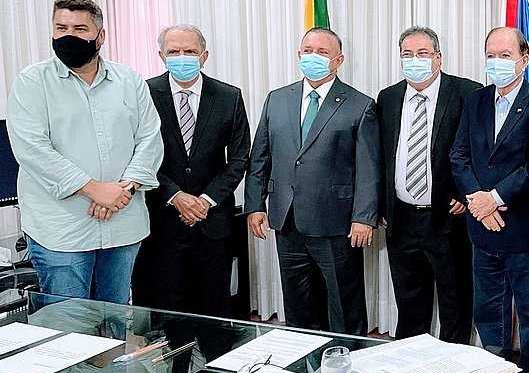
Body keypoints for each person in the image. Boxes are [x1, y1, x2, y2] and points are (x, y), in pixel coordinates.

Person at [6, 0, 163, 304]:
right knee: (67, 322)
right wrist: (94, 189)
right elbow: (32, 148)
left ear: (100, 36)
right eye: (61, 28)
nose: (69, 36)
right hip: (62, 230)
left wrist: (124, 189)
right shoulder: (32, 81)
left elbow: (150, 138)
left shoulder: (129, 79)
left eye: (80, 29)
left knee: (115, 316)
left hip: (122, 223)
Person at [450, 27, 529, 373]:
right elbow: (459, 156)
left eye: (505, 54)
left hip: (524, 230)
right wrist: (478, 202)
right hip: (482, 229)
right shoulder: (475, 101)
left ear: (524, 59)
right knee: (489, 313)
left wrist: (493, 198)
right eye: (491, 54)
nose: (497, 62)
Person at [245, 27, 380, 335]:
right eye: (308, 51)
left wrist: (364, 217)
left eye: (322, 52)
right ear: (298, 54)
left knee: (344, 306)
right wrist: (255, 205)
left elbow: (369, 169)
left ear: (338, 60)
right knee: (298, 306)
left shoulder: (360, 104)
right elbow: (260, 157)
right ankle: (305, 361)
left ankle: (348, 359)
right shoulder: (277, 99)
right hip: (287, 220)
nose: (313, 57)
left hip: (336, 223)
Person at [133, 24, 251, 318]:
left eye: (190, 51)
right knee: (165, 313)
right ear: (161, 55)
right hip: (161, 223)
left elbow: (239, 158)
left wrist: (205, 200)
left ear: (204, 56)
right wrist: (175, 196)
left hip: (212, 223)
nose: (182, 57)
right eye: (174, 52)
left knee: (214, 312)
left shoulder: (228, 96)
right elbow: (136, 155)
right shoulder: (144, 93)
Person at [375, 26, 480, 343]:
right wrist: (381, 204)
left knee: (455, 303)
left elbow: (478, 150)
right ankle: (410, 365)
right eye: (407, 54)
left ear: (438, 57)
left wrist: (466, 193)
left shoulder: (467, 93)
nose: (414, 60)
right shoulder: (388, 98)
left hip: (448, 217)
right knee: (409, 305)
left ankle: (452, 369)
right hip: (401, 219)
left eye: (422, 53)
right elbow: (381, 155)